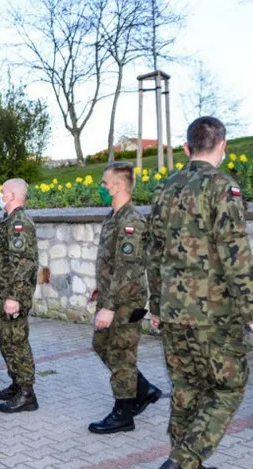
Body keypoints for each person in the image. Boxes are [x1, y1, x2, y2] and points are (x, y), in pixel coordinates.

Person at [147, 116, 253, 469]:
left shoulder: (165, 189)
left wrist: (156, 305)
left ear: (187, 148)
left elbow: (153, 254)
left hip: (173, 310)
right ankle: (183, 460)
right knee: (228, 387)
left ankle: (185, 463)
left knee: (186, 387)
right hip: (213, 314)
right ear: (223, 146)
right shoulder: (222, 187)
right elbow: (236, 255)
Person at [88, 162, 162, 435]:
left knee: (121, 354)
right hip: (112, 295)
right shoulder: (113, 216)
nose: (102, 187)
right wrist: (101, 288)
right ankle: (142, 389)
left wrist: (108, 307)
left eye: (105, 183)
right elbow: (112, 262)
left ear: (117, 186)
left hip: (125, 302)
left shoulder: (131, 222)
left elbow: (127, 270)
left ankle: (123, 413)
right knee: (101, 344)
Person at [0, 178, 40, 413]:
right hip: (4, 292)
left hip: (13, 295)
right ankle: (17, 383)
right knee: (5, 340)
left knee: (16, 342)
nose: (0, 195)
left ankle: (27, 394)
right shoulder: (10, 220)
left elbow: (22, 263)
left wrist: (14, 297)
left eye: (2, 192)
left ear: (12, 196)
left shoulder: (19, 224)